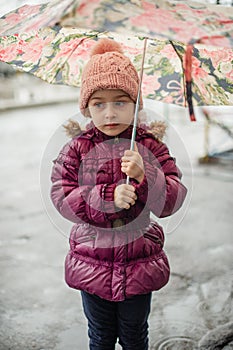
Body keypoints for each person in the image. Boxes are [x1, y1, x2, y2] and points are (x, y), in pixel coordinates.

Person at [50, 38, 187, 350]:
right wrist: (107, 196)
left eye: (120, 102)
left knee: (135, 334)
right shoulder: (77, 148)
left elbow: (172, 200)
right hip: (92, 261)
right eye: (99, 104)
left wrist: (146, 175)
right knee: (99, 334)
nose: (110, 112)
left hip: (139, 262)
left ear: (136, 105)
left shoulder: (150, 146)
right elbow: (62, 195)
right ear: (87, 107)